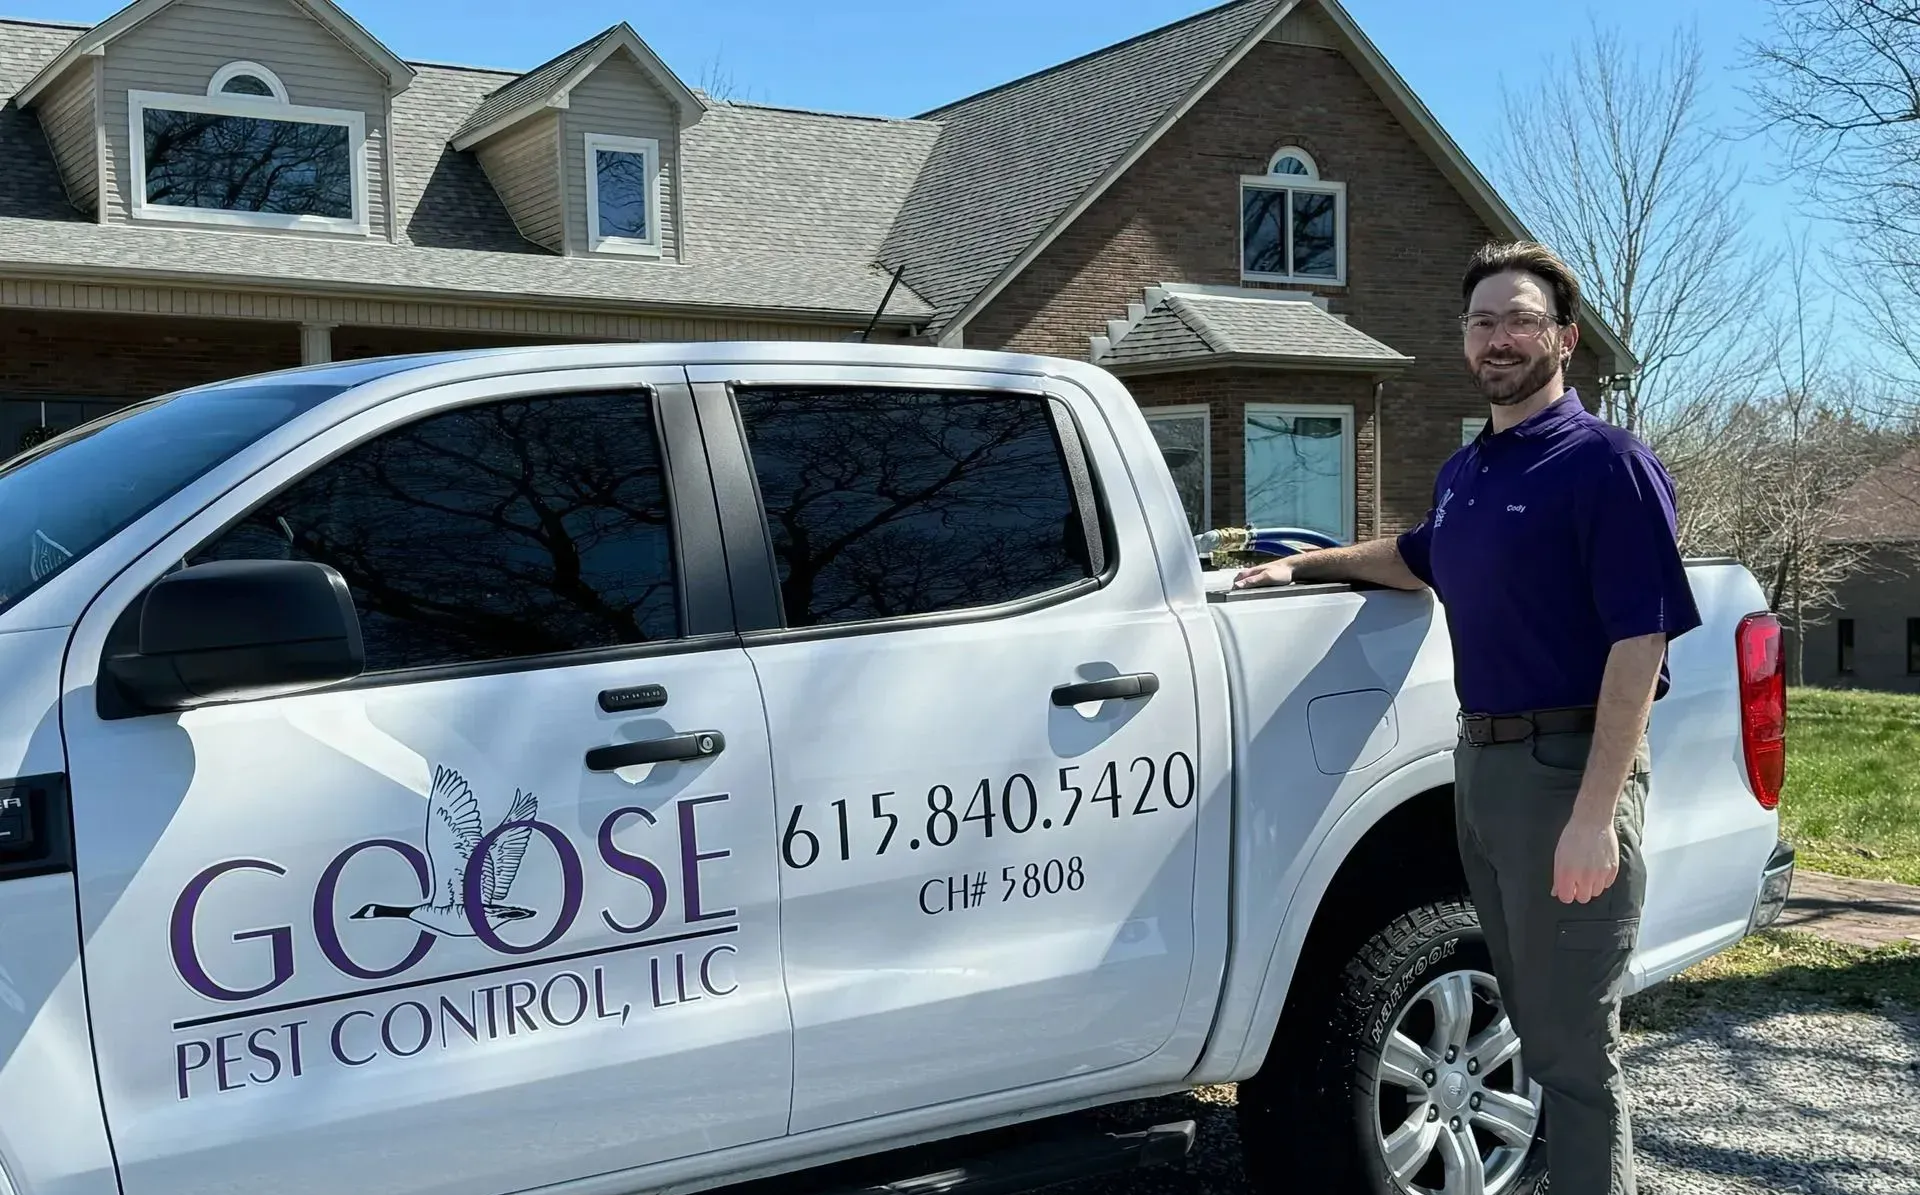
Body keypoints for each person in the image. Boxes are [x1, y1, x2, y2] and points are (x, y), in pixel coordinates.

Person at [1234, 240, 1699, 1195]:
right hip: (1482, 771)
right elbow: (1417, 554)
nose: (1499, 338)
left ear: (1564, 338)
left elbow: (1640, 641)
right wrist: (1301, 565)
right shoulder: (1469, 471)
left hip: (1568, 772)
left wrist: (1594, 816)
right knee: (1530, 1018)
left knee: (1573, 1048)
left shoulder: (1606, 464)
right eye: (1482, 321)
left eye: (1521, 319)